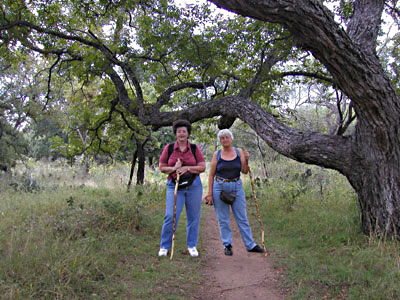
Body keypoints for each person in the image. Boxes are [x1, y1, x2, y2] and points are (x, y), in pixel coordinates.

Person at [204, 129, 264, 256]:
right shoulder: (217, 154)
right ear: (220, 141)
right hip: (219, 186)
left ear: (231, 139)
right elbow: (211, 175)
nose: (225, 140)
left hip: (236, 186)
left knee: (242, 217)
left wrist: (246, 160)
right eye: (222, 138)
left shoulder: (239, 152)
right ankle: (227, 245)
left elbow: (244, 171)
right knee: (223, 219)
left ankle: (250, 245)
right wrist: (209, 193)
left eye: (227, 137)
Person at [158, 119, 206, 257]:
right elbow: (162, 167)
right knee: (170, 216)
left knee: (193, 216)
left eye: (184, 131)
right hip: (174, 185)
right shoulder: (170, 148)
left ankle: (192, 245)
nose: (181, 134)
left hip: (194, 186)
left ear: (188, 134)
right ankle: (164, 247)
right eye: (179, 131)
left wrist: (188, 168)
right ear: (176, 134)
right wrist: (174, 168)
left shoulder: (195, 149)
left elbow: (202, 167)